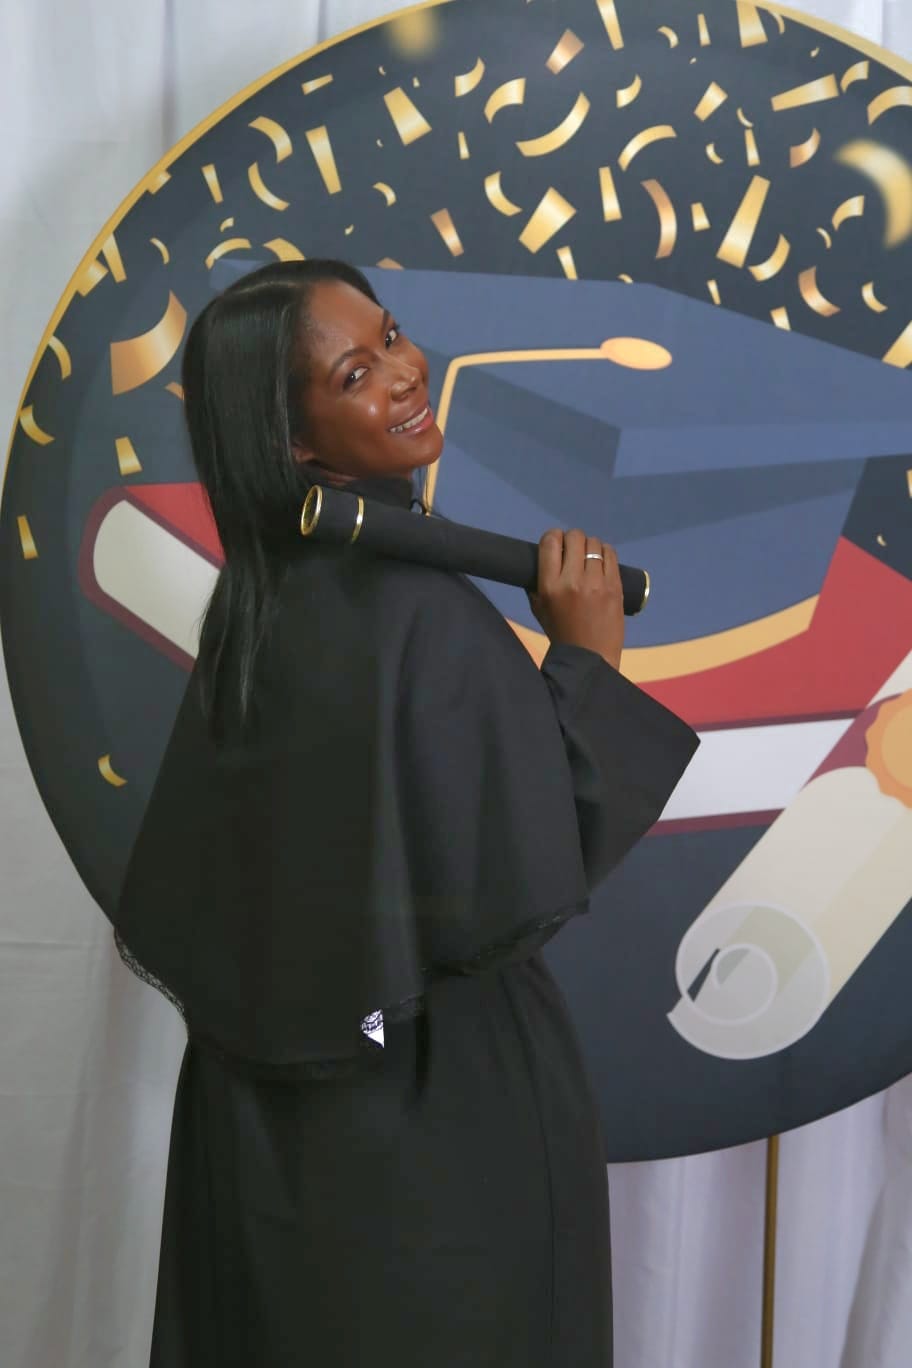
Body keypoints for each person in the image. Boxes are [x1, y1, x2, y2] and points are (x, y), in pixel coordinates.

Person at [113, 259, 699, 1367]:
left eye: (390, 337)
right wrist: (588, 658)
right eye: (355, 372)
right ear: (297, 445)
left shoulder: (253, 608)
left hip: (272, 1128)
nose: (404, 371)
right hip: (440, 1112)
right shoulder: (419, 613)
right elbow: (546, 841)